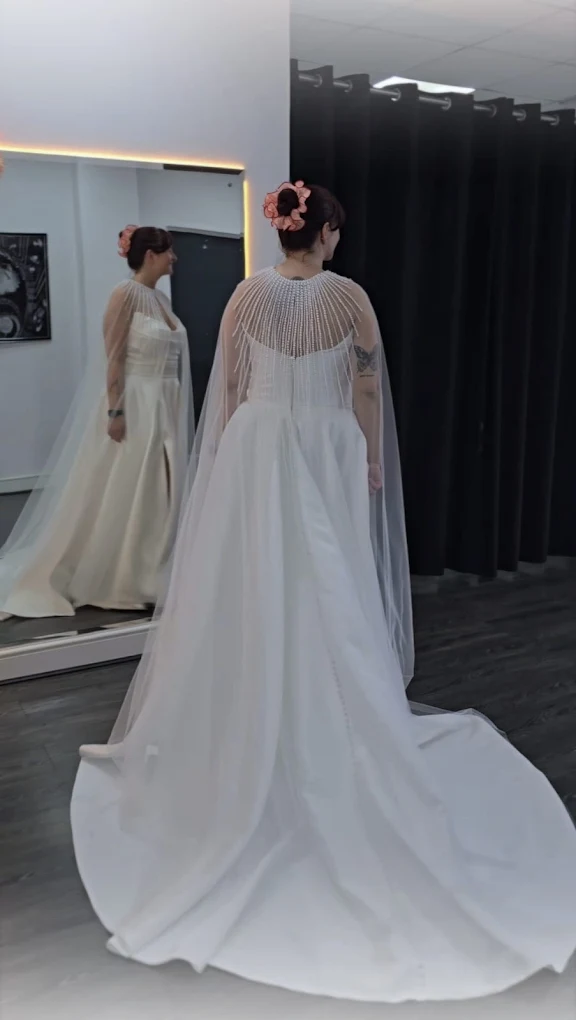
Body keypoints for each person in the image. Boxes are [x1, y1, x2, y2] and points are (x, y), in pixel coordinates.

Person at [71, 184, 576, 1004]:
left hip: (260, 445)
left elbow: (229, 392)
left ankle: (260, 707)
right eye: (337, 229)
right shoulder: (351, 301)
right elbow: (367, 390)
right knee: (331, 583)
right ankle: (334, 709)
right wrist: (370, 458)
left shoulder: (244, 296)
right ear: (328, 231)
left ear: (282, 230)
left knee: (260, 583)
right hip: (328, 445)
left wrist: (230, 460)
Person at [0, 226, 193, 619]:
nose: (174, 258)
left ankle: (155, 565)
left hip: (164, 402)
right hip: (138, 402)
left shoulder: (158, 299)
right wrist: (116, 411)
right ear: (152, 254)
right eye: (169, 251)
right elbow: (115, 356)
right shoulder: (125, 295)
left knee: (162, 485)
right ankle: (126, 573)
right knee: (135, 484)